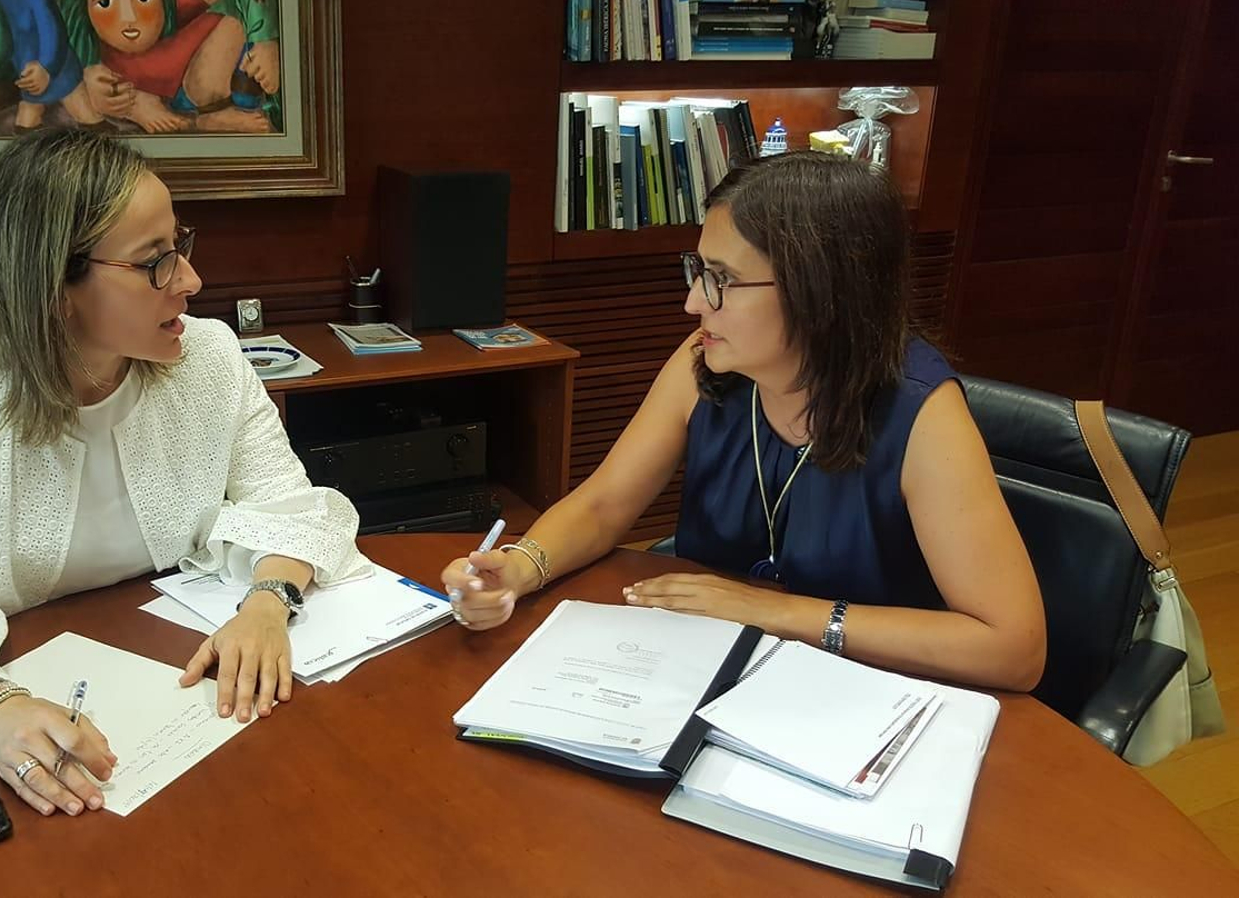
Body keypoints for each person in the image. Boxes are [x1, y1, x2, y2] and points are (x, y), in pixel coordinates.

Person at [0, 128, 366, 818]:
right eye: (156, 262)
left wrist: (270, 602)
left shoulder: (207, 358)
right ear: (56, 288)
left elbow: (288, 503)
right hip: (31, 708)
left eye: (181, 245)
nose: (190, 281)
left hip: (180, 692)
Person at [443, 152, 1047, 692]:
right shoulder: (705, 359)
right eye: (698, 270)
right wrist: (522, 568)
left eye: (724, 281)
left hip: (862, 698)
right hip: (711, 673)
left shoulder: (922, 414)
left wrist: (776, 612)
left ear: (822, 292)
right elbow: (604, 504)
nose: (694, 302)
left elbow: (1014, 649)